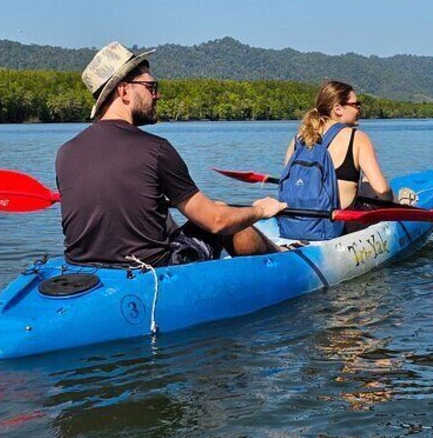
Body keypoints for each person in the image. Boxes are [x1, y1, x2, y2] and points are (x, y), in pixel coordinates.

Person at [55, 41, 287, 268]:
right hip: (150, 269)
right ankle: (283, 262)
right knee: (227, 214)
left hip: (81, 269)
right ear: (124, 90)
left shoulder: (66, 152)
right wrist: (260, 210)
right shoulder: (156, 150)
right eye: (151, 87)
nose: (157, 95)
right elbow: (216, 221)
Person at [279, 80, 392, 239]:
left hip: (295, 224)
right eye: (356, 104)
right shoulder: (357, 138)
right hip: (337, 227)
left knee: (365, 185)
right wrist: (392, 203)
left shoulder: (298, 139)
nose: (359, 109)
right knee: (375, 188)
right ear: (338, 108)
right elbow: (382, 190)